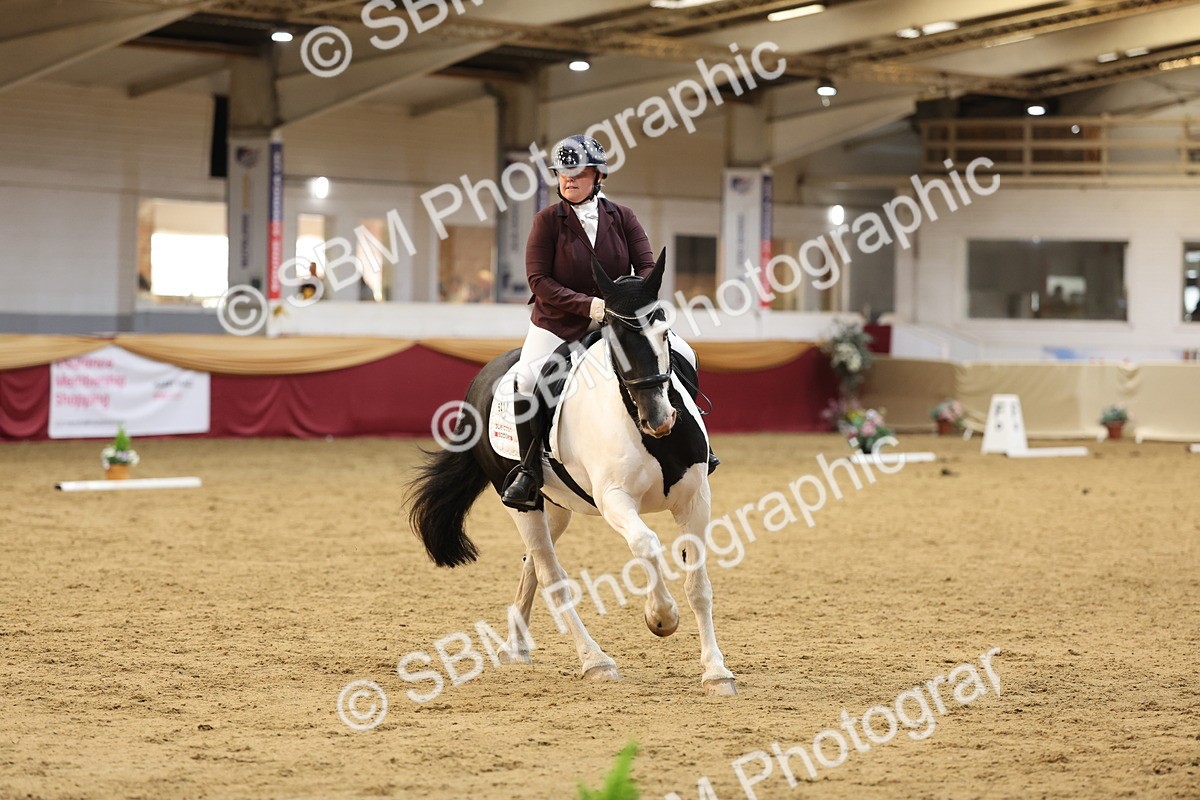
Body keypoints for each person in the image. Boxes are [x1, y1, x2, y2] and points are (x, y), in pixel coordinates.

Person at [500, 135, 716, 511]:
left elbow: (647, 265)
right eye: (561, 174)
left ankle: (694, 446)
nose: (568, 180)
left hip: (618, 321)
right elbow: (539, 282)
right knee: (529, 379)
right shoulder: (547, 221)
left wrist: (632, 299)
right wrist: (591, 307)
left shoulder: (623, 216)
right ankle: (529, 468)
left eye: (577, 173)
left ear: (598, 175)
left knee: (681, 352)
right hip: (558, 323)